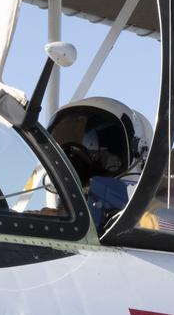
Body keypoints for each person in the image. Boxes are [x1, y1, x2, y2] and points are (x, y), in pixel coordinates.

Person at [48, 97, 152, 230]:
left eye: (88, 148)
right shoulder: (55, 218)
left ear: (142, 152)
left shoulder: (152, 217)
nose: (71, 156)